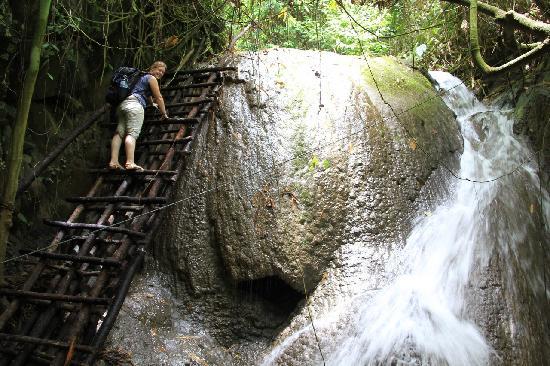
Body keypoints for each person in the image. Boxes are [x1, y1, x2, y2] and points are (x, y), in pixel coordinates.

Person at [108, 61, 169, 171]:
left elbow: (146, 94)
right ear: (153, 68)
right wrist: (164, 113)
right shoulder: (151, 78)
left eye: (163, 72)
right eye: (159, 70)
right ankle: (130, 162)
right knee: (132, 133)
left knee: (119, 133)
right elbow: (159, 97)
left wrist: (151, 104)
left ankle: (113, 161)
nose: (160, 73)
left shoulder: (140, 76)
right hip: (135, 106)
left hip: (122, 105)